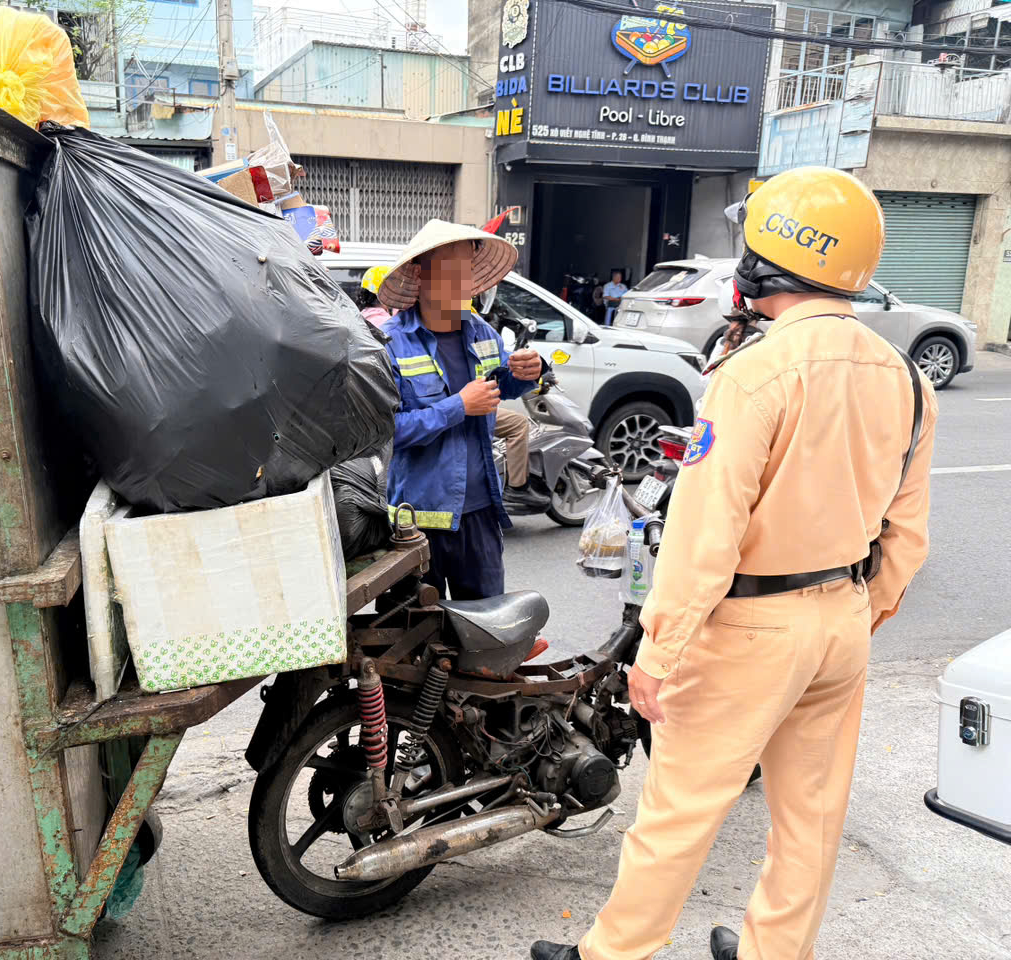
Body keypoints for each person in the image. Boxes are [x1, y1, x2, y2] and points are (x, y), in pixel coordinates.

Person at [532, 166, 937, 960]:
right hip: (840, 622)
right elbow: (907, 534)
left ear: (771, 256)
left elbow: (706, 533)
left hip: (749, 627)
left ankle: (613, 954)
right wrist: (856, 614)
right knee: (811, 819)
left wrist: (661, 648)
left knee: (680, 812)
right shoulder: (907, 378)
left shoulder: (756, 371)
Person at [375, 219, 546, 600]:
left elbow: (501, 385)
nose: (463, 281)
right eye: (451, 269)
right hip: (415, 523)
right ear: (420, 275)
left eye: (468, 269)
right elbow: (385, 433)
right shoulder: (390, 344)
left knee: (486, 626)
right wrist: (458, 407)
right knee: (417, 629)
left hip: (481, 513)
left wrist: (528, 373)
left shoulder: (481, 332)